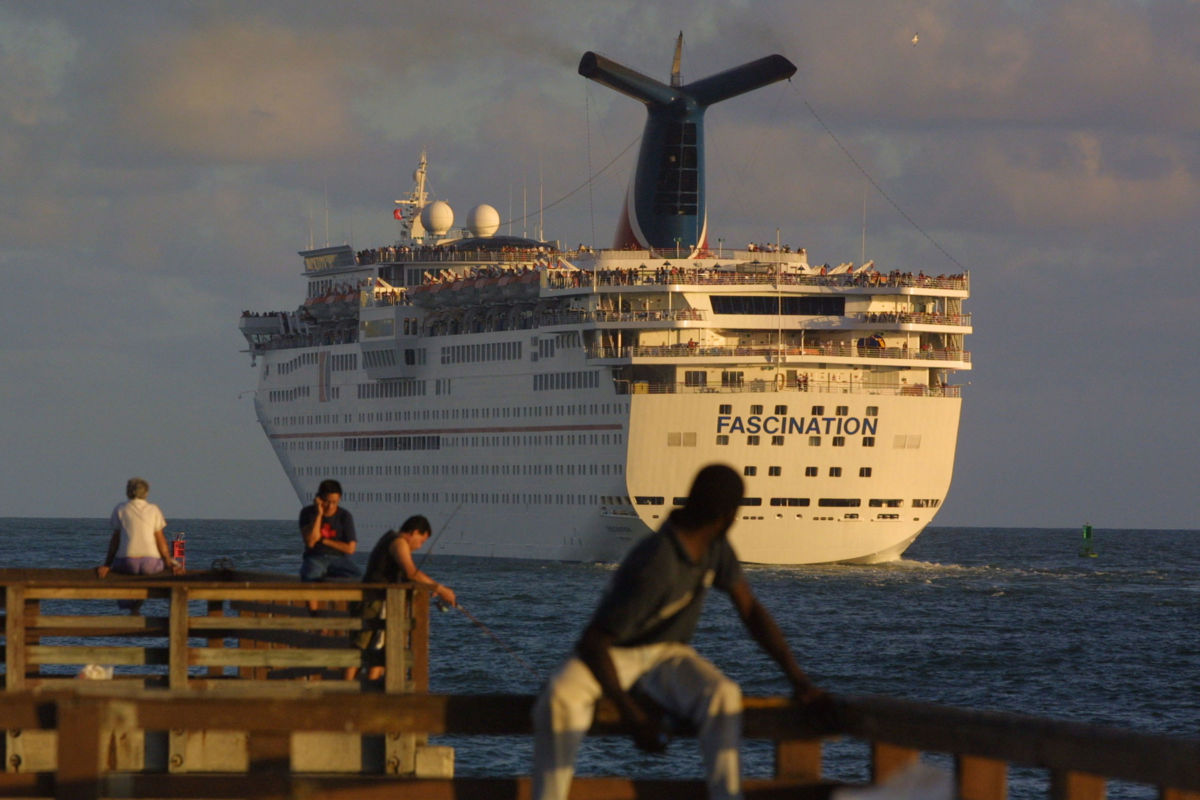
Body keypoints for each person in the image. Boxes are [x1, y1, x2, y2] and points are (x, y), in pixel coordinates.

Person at [532, 464, 834, 800]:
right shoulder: (655, 562)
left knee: (722, 695)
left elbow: (750, 610)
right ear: (725, 515)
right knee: (560, 698)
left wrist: (799, 680)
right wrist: (631, 715)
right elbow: (593, 643)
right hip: (612, 653)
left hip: (667, 653)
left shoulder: (714, 547)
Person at [347, 514, 457, 680]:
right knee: (361, 649)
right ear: (414, 532)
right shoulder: (398, 543)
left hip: (380, 602)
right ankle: (347, 689)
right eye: (421, 540)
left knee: (380, 650)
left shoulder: (389, 538)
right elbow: (411, 572)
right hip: (374, 602)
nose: (420, 546)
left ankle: (369, 690)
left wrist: (427, 587)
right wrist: (441, 589)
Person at [98, 478, 183, 612]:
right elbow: (160, 539)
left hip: (127, 562)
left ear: (128, 492)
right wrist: (169, 562)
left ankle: (128, 605)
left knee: (122, 573)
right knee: (170, 566)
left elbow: (116, 540)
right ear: (146, 493)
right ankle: (139, 602)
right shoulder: (153, 509)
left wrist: (107, 564)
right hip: (151, 563)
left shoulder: (120, 509)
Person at [299, 478, 361, 582]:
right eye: (327, 502)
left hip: (338, 558)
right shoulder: (308, 513)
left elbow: (350, 549)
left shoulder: (344, 516)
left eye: (334, 502)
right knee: (311, 577)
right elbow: (310, 542)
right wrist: (319, 514)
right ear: (319, 498)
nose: (330, 506)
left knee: (358, 577)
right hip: (315, 556)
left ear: (339, 499)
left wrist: (323, 540)